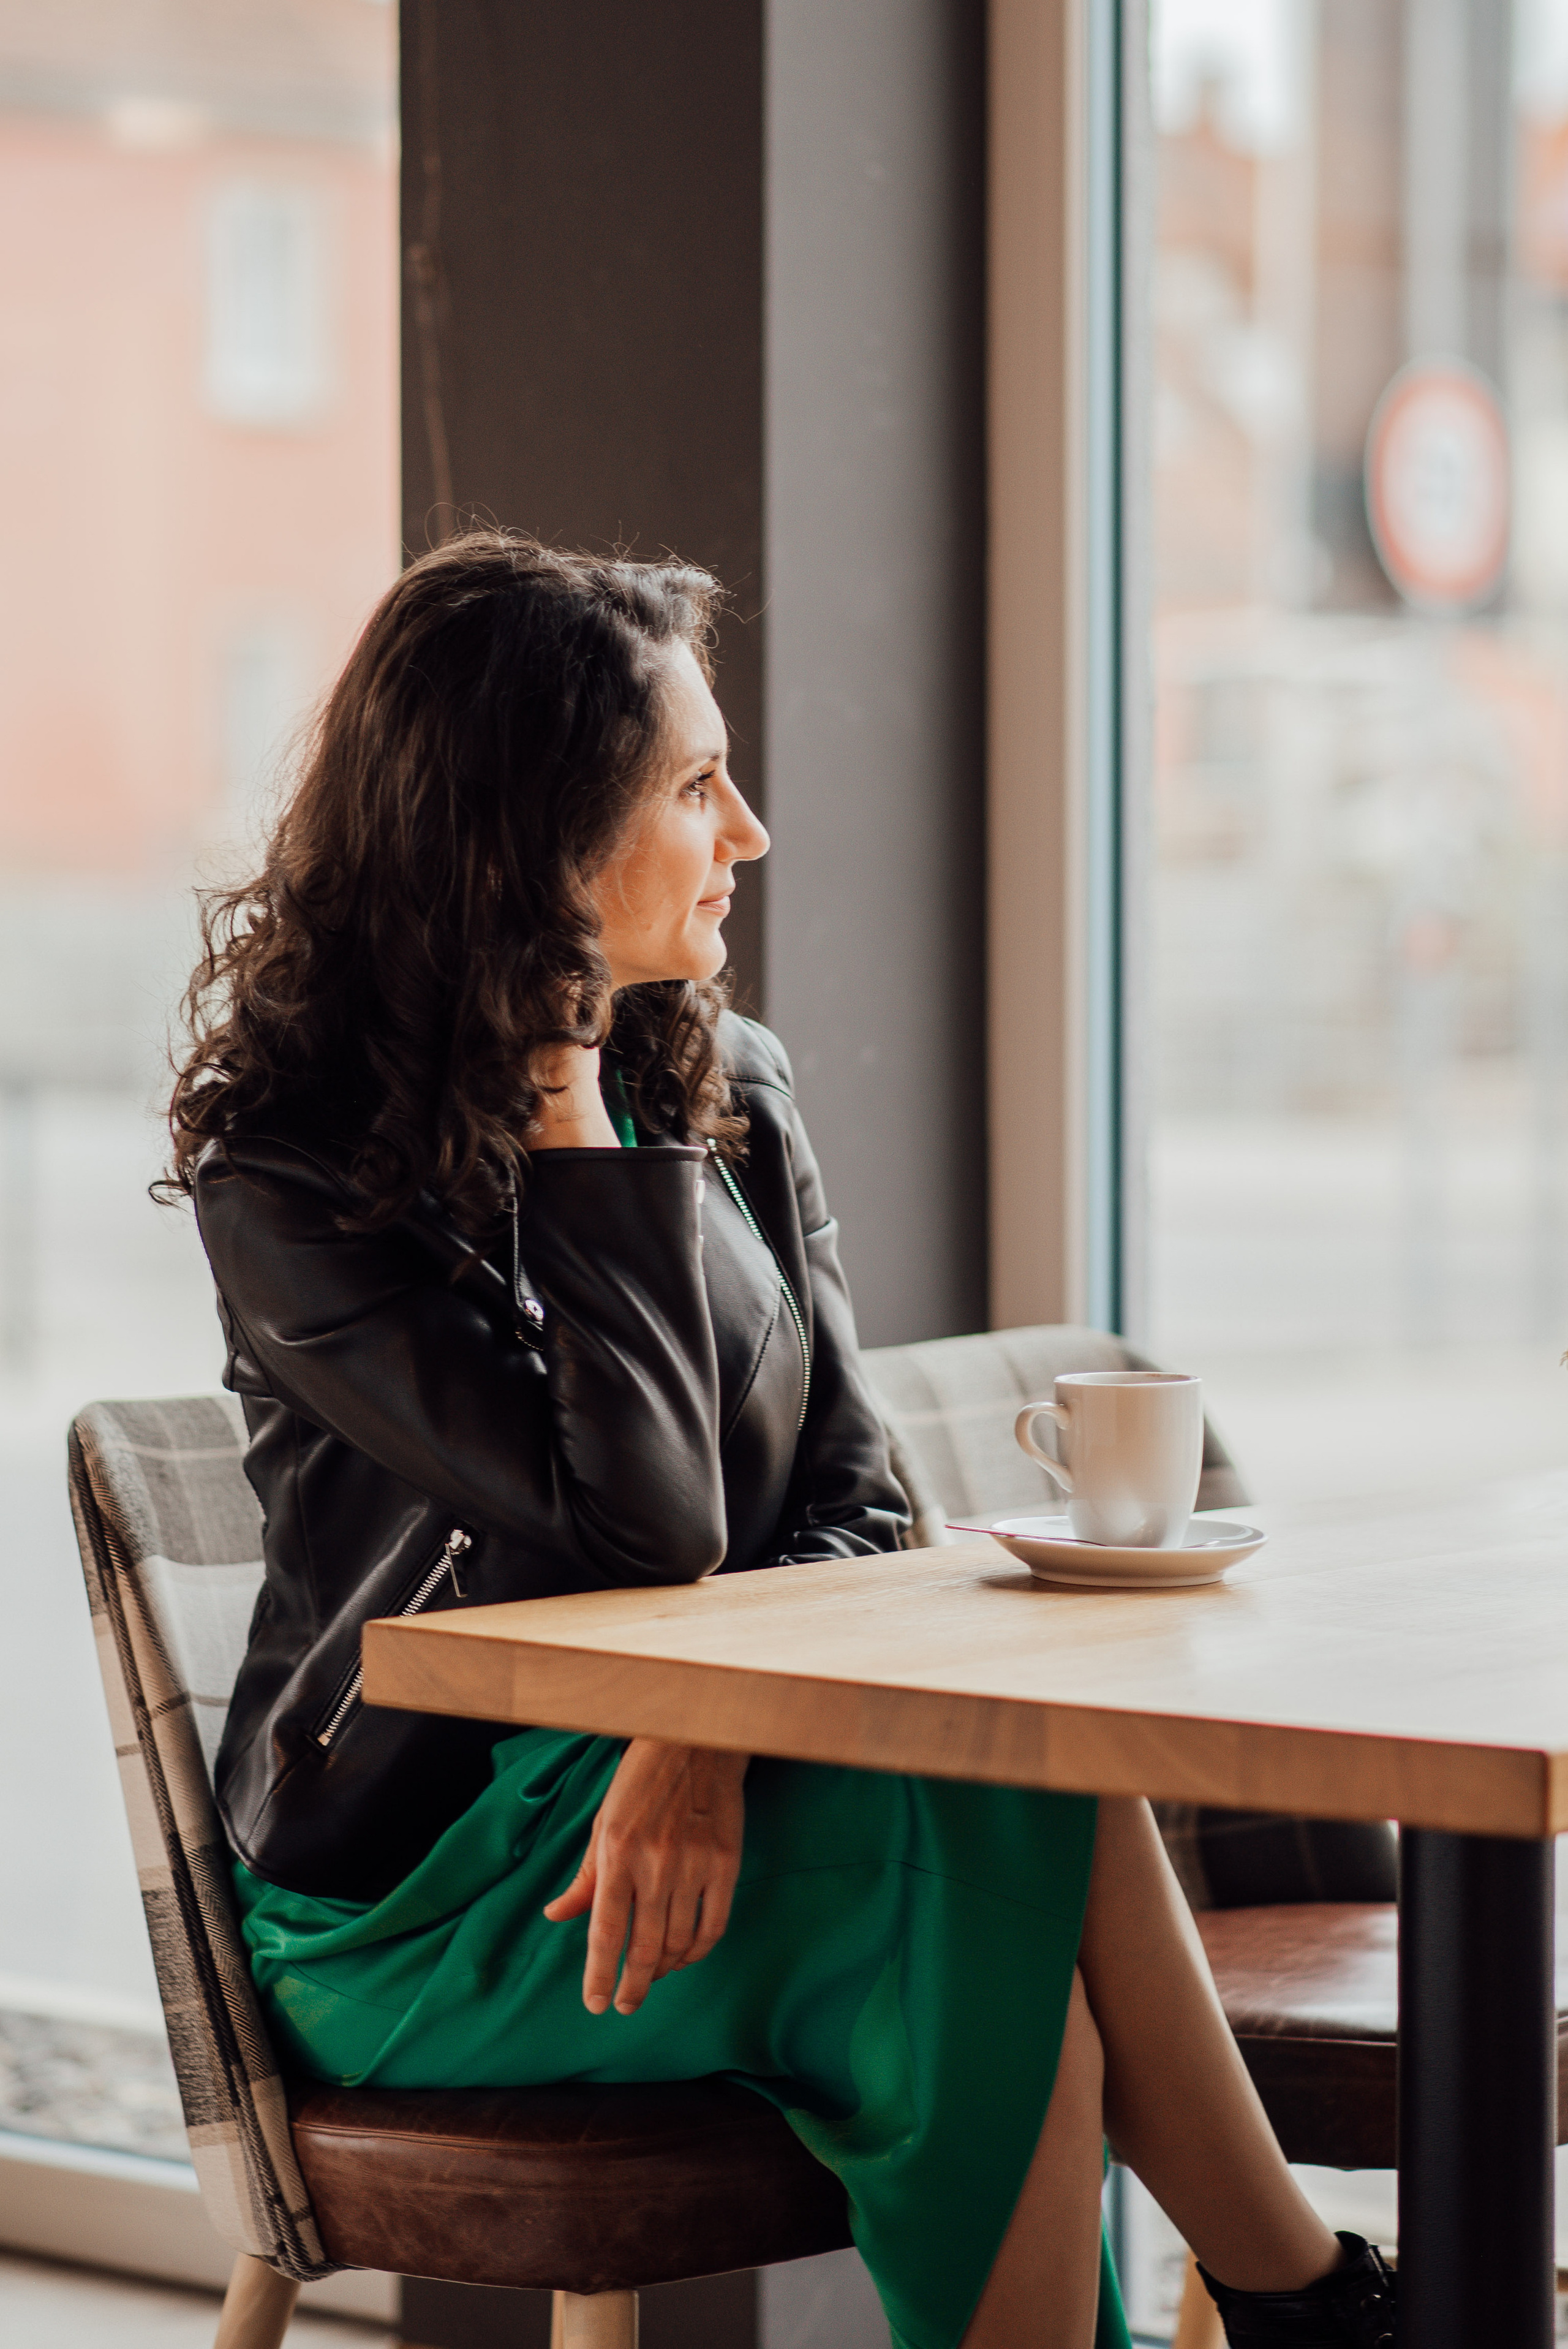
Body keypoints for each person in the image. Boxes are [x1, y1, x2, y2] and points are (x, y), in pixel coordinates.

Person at [166, 532, 1395, 2349]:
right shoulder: (292, 1176)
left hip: (675, 1786)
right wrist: (573, 1104)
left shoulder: (733, 1078)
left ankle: (1306, 2300)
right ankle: (1311, 2295)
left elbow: (858, 1506)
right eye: (693, 785)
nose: (748, 831)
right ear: (540, 843)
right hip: (419, 1898)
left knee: (1006, 1856)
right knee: (996, 1872)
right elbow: (643, 1527)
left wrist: (709, 1730)